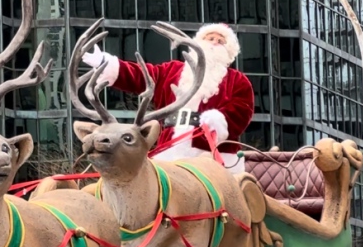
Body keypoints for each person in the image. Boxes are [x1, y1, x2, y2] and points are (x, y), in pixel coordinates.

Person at [82, 23, 254, 173]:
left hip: (213, 154)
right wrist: (110, 64)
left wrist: (218, 120)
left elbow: (242, 110)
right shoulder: (172, 71)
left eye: (221, 41)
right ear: (198, 43)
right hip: (169, 151)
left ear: (229, 51)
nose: (215, 43)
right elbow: (142, 76)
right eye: (210, 38)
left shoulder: (238, 81)